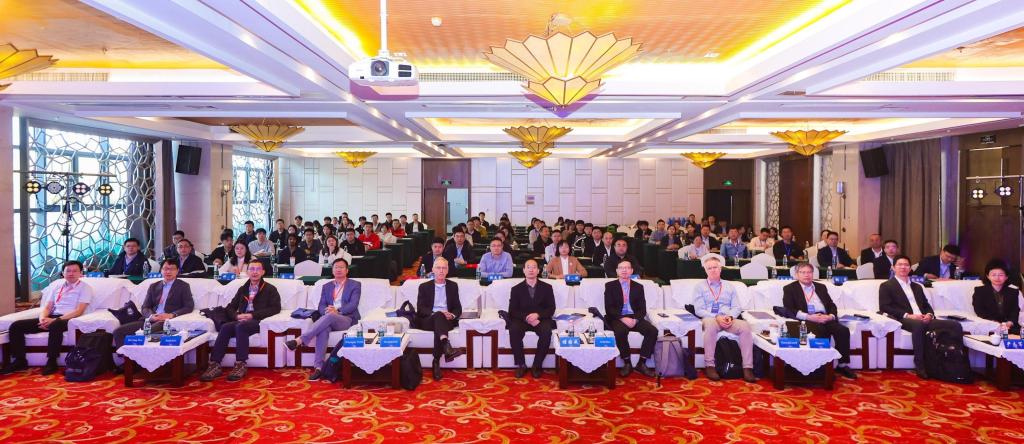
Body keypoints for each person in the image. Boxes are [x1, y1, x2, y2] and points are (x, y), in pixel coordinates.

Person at [1, 261, 93, 375]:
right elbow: (48, 307)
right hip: (52, 317)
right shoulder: (57, 287)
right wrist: (42, 319)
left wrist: (55, 320)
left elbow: (79, 311)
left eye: (75, 271)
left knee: (55, 325)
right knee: (16, 326)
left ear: (81, 273)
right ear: (63, 273)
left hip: (70, 319)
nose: (71, 273)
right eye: (68, 271)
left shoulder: (85, 288)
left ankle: (52, 361)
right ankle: (20, 360)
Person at [878, 255, 963, 379]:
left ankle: (956, 364)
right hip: (904, 319)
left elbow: (926, 305)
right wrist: (908, 315)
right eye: (900, 265)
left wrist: (929, 315)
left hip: (923, 318)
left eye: (906, 265)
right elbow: (885, 307)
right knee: (919, 325)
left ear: (910, 268)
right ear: (893, 267)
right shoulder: (886, 285)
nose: (903, 267)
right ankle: (920, 365)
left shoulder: (917, 286)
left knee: (955, 325)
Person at [201, 261, 281, 382]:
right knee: (226, 327)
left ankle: (240, 364)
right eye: (252, 269)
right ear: (247, 272)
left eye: (258, 269)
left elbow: (275, 308)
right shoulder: (243, 289)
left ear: (263, 272)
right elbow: (230, 307)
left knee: (241, 327)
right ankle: (215, 364)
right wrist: (236, 316)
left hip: (258, 321)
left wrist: (252, 315)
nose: (254, 272)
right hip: (241, 320)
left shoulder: (270, 289)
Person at [286, 258, 361, 381]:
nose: (338, 269)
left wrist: (337, 311)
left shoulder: (355, 285)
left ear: (347, 270)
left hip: (347, 318)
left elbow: (353, 304)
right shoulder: (326, 286)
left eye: (341, 267)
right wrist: (326, 311)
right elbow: (321, 305)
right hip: (329, 317)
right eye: (336, 267)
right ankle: (319, 368)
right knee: (324, 329)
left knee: (330, 316)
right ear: (332, 270)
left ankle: (300, 340)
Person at [782, 262, 856, 379]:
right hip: (808, 319)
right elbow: (789, 309)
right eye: (803, 272)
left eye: (809, 272)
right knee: (821, 331)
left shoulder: (821, 287)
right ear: (797, 275)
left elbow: (831, 305)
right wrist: (809, 317)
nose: (806, 275)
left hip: (825, 317)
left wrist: (831, 316)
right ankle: (823, 367)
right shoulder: (790, 289)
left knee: (843, 331)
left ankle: (842, 365)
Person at [690, 255, 756, 382]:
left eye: (715, 267)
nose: (712, 270)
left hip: (727, 318)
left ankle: (747, 368)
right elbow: (699, 310)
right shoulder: (699, 287)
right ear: (705, 270)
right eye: (709, 268)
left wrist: (730, 316)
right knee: (710, 326)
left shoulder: (729, 286)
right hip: (710, 318)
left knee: (745, 326)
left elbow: (736, 307)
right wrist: (716, 317)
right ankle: (710, 366)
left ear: (720, 269)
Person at [112, 259, 194, 350]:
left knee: (144, 333)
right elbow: (145, 307)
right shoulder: (153, 286)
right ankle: (126, 357)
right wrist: (151, 316)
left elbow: (189, 306)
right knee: (118, 332)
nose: (168, 272)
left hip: (166, 321)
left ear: (177, 271)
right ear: (161, 270)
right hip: (150, 320)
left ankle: (140, 356)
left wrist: (172, 315)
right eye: (165, 269)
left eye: (172, 269)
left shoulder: (183, 286)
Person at [603, 260, 657, 377]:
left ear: (632, 271)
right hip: (618, 317)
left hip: (634, 317)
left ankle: (642, 363)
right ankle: (627, 363)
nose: (624, 270)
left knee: (652, 331)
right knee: (620, 331)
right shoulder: (610, 286)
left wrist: (635, 320)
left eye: (627, 268)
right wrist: (623, 318)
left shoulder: (638, 287)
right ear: (617, 271)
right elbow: (609, 308)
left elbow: (642, 309)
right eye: (621, 268)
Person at [415, 258, 466, 380]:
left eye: (444, 268)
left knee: (440, 320)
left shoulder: (453, 286)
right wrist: (435, 313)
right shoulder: (424, 287)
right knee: (438, 315)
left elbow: (458, 308)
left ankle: (436, 360)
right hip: (428, 320)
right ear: (433, 270)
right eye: (438, 268)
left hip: (446, 321)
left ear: (448, 270)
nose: (441, 271)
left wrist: (452, 315)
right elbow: (421, 309)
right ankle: (446, 349)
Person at [508, 259, 556, 378]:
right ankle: (521, 364)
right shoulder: (516, 289)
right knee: (513, 329)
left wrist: (537, 315)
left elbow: (551, 308)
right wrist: (527, 318)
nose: (531, 270)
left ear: (538, 271)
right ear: (524, 270)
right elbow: (512, 310)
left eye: (534, 267)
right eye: (528, 267)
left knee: (546, 331)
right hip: (522, 319)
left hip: (541, 319)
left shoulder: (547, 287)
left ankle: (537, 365)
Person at [972, 260, 1022, 335]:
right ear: (988, 276)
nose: (997, 278)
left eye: (1001, 275)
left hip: (1010, 327)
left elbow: (1015, 311)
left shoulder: (1013, 292)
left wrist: (1010, 323)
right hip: (989, 326)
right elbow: (979, 311)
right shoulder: (979, 291)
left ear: (1006, 277)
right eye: (993, 275)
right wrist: (994, 323)